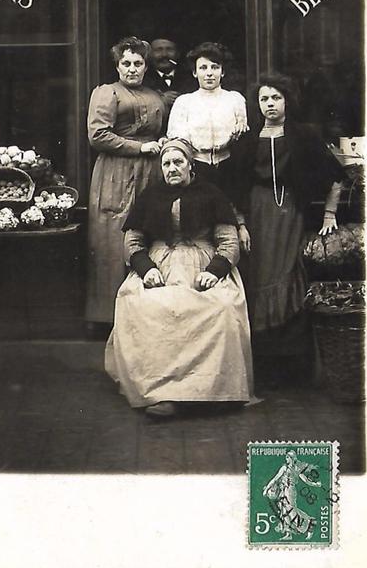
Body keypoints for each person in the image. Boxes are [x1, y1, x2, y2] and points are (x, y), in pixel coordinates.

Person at [105, 138, 257, 418]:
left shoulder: (212, 194)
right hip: (159, 263)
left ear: (190, 165)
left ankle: (212, 391)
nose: (172, 168)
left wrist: (214, 272)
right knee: (144, 305)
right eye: (166, 163)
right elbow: (133, 241)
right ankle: (163, 392)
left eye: (178, 162)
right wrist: (146, 268)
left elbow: (228, 242)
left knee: (220, 307)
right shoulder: (150, 196)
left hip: (203, 262)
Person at [235, 73, 346, 380]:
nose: (270, 104)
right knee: (258, 274)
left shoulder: (304, 135)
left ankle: (293, 365)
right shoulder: (247, 139)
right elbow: (234, 186)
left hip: (290, 213)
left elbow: (335, 176)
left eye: (276, 98)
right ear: (257, 104)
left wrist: (329, 214)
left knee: (288, 272)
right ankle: (265, 365)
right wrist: (241, 223)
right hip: (257, 214)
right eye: (264, 99)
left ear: (287, 101)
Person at [86, 36, 165, 325]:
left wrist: (160, 142)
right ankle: (109, 317)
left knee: (147, 236)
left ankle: (143, 316)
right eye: (126, 63)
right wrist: (138, 147)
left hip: (149, 171)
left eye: (138, 63)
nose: (132, 69)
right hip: (116, 173)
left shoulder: (155, 95)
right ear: (118, 66)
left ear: (146, 67)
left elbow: (158, 131)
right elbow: (98, 135)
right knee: (113, 239)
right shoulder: (107, 93)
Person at [166, 42, 249, 227]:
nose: (209, 73)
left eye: (215, 67)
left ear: (223, 71)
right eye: (203, 68)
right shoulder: (184, 102)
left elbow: (242, 137)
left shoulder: (234, 99)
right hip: (197, 169)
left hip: (229, 169)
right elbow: (177, 141)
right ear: (195, 72)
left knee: (230, 221)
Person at [263, 451, 322, 540]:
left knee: (292, 511)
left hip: (290, 491)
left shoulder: (297, 468)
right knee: (284, 511)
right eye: (286, 457)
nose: (286, 459)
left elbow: (306, 480)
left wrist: (315, 484)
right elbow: (275, 479)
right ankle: (288, 534)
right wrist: (267, 488)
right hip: (283, 491)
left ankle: (309, 525)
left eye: (288, 457)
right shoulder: (285, 467)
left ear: (292, 458)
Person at [143, 38, 196, 117]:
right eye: (158, 50)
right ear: (150, 55)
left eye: (169, 49)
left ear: (178, 53)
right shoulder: (143, 79)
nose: (164, 55)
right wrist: (160, 100)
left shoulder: (192, 77)